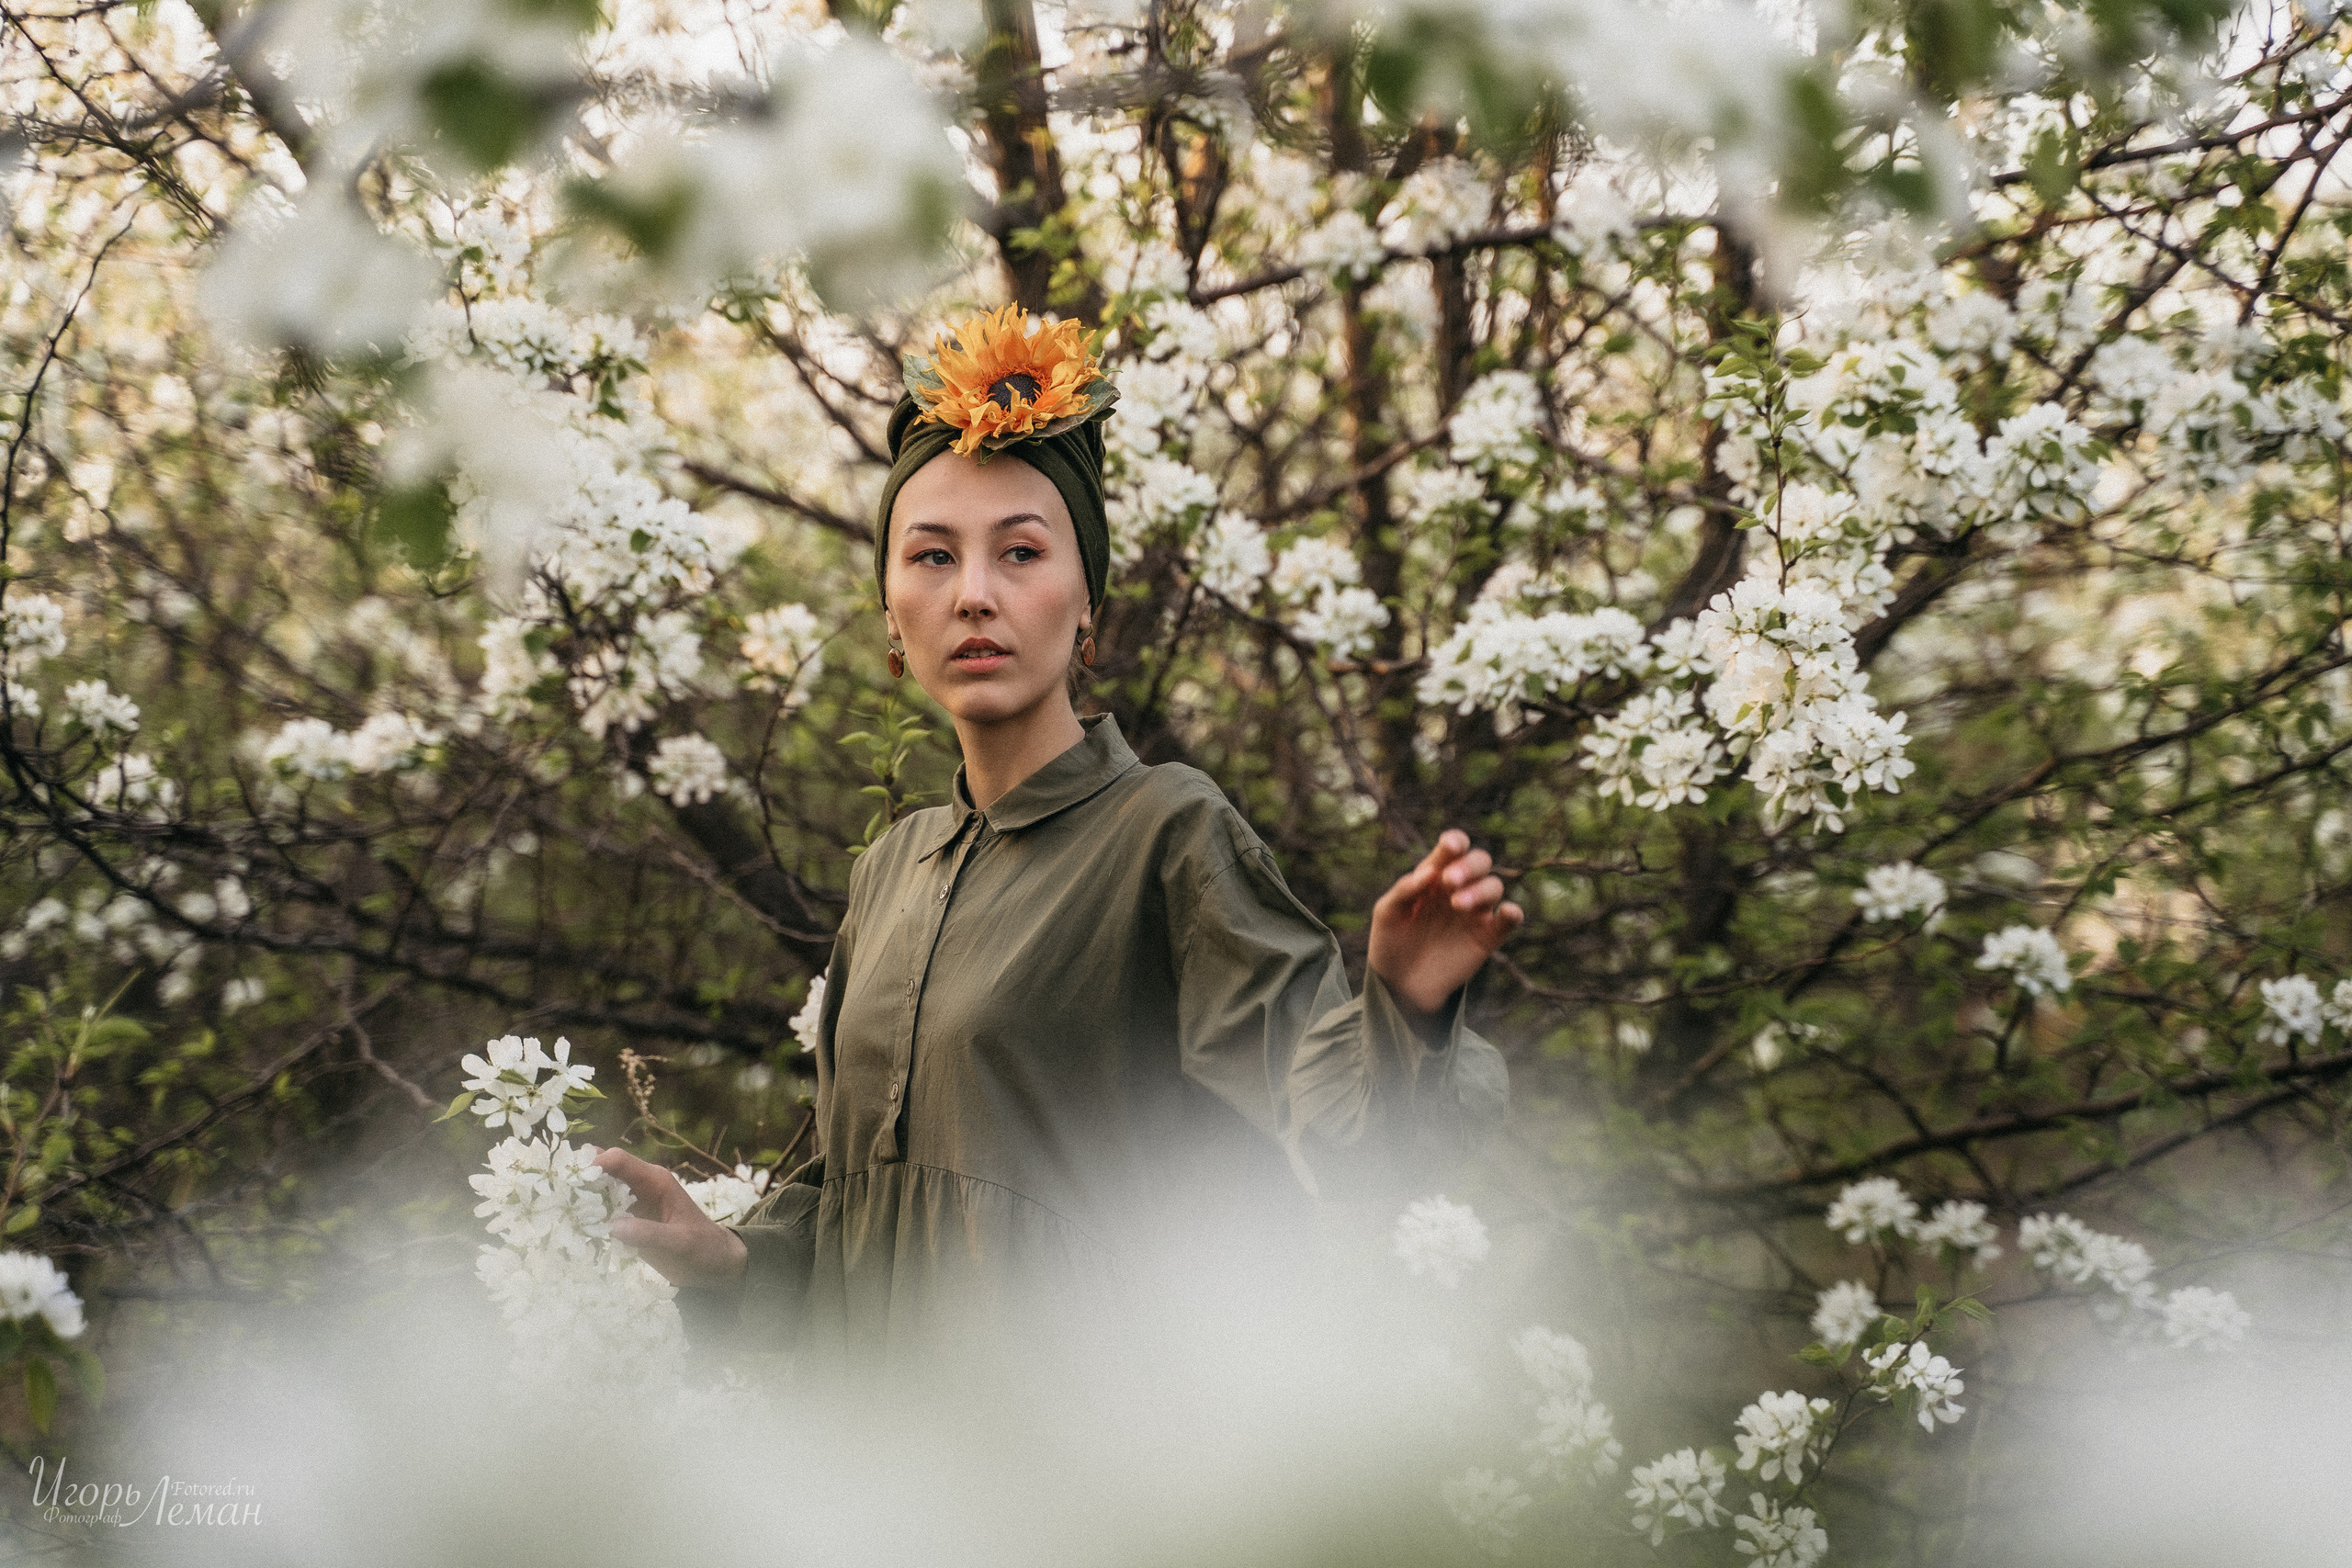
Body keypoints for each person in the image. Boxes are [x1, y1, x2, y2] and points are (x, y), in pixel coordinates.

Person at [593, 305, 1520, 1397]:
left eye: (1020, 552)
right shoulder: (889, 869)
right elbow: (865, 1219)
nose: (973, 592)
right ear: (891, 613)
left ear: (1088, 607)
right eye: (931, 555)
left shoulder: (1166, 834)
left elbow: (1334, 1130)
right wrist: (736, 1258)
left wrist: (1400, 1012)